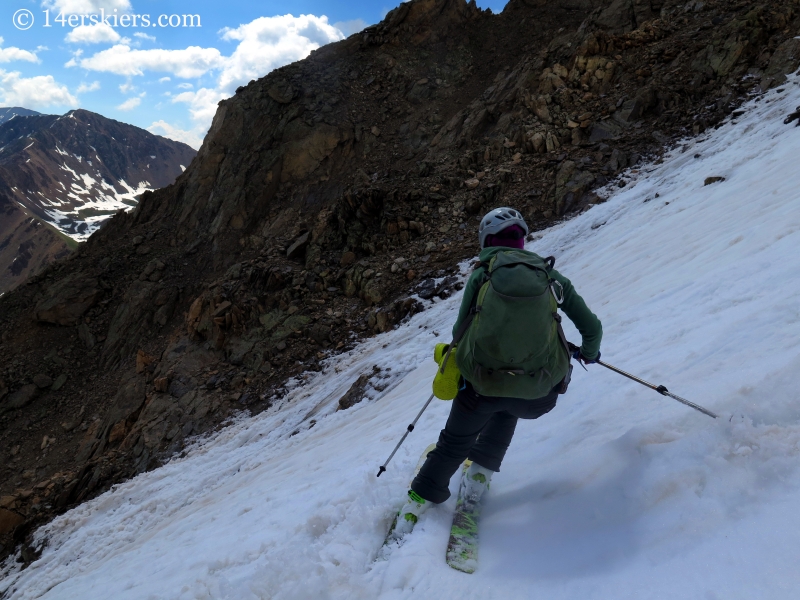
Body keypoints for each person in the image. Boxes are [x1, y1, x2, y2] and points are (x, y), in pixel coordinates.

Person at [391, 207, 603, 538]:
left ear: (486, 241)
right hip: (538, 396)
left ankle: (418, 501)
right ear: (522, 240)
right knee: (510, 402)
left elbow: (460, 331)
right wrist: (588, 354)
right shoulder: (550, 277)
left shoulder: (483, 275)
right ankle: (481, 472)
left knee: (453, 442)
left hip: (481, 389)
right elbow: (592, 328)